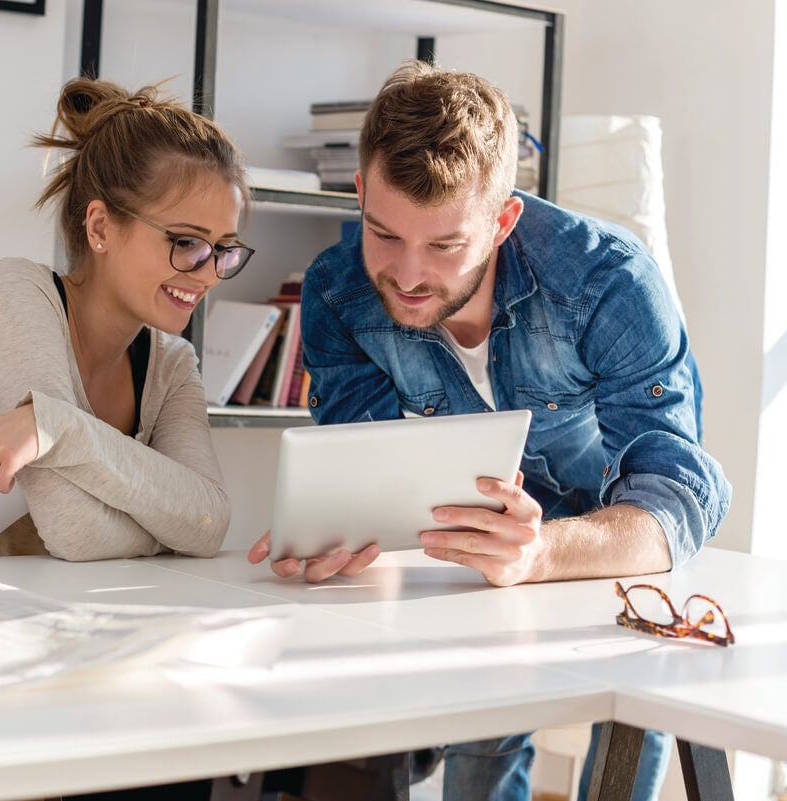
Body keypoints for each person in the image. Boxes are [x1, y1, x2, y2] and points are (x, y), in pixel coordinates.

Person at [248, 60, 731, 801]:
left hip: (615, 545)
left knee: (639, 687)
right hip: (482, 551)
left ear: (503, 221)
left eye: (444, 246)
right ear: (360, 194)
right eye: (384, 232)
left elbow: (672, 502)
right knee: (479, 728)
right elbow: (361, 461)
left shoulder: (609, 283)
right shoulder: (337, 290)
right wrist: (334, 530)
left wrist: (541, 551)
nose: (407, 274)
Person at [0, 76, 254, 561]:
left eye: (224, 250)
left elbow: (208, 525)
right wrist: (164, 531)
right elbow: (77, 531)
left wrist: (60, 429)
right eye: (187, 242)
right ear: (101, 226)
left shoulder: (171, 367)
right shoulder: (14, 295)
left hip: (49, 616)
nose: (208, 274)